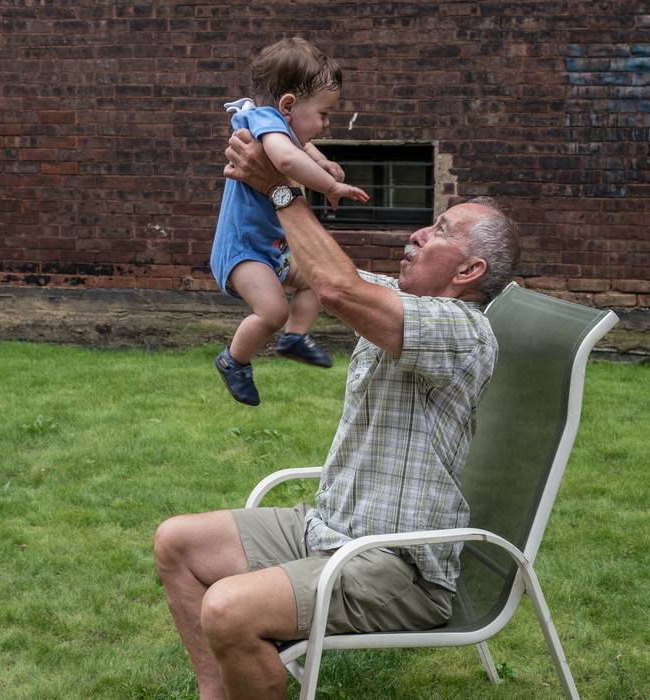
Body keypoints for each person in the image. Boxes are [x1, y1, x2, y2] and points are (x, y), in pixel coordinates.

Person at [154, 128, 521, 699]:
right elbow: (319, 275)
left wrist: (281, 190)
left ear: (469, 272)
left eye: (441, 231)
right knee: (177, 542)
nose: (419, 232)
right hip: (331, 529)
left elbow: (338, 286)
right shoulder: (399, 304)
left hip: (397, 565)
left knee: (229, 609)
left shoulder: (463, 330)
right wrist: (252, 207)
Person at [210, 37, 369, 406]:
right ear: (287, 104)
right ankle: (233, 361)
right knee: (272, 311)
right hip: (244, 250)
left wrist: (323, 161)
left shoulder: (276, 124)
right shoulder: (264, 121)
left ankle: (295, 337)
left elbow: (300, 145)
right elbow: (284, 160)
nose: (326, 124)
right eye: (324, 114)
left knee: (316, 278)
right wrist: (331, 184)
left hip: (271, 248)